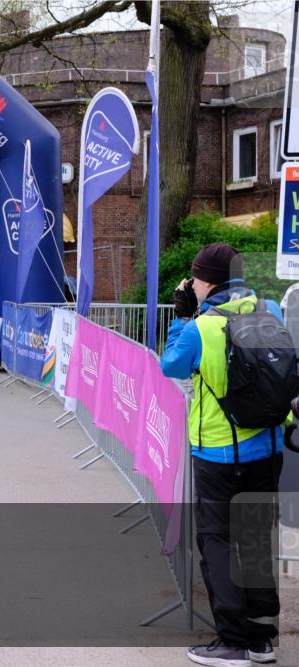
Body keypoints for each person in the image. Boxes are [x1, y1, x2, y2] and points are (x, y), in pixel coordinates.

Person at [160, 243, 289, 667]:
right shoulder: (270, 309)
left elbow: (171, 366)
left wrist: (182, 317)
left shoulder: (201, 327)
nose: (191, 286)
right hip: (267, 446)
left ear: (207, 281)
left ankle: (232, 641)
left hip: (218, 452)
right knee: (255, 539)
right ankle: (261, 640)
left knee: (217, 541)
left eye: (195, 279)